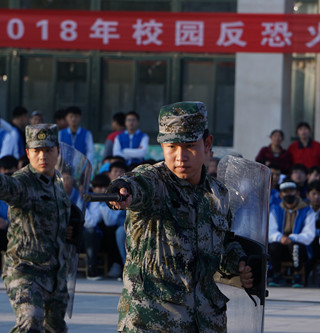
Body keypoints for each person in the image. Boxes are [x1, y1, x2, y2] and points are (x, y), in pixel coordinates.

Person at [106, 101, 253, 332]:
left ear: (207, 143)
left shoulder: (218, 195)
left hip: (205, 322)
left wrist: (241, 263)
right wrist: (122, 189)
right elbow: (137, 183)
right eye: (171, 147)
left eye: (190, 146)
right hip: (153, 322)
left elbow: (222, 247)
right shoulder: (156, 182)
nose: (180, 157)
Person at [0, 124, 73, 332]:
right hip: (25, 270)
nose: (42, 156)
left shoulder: (58, 184)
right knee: (30, 320)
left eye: (48, 150)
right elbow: (10, 187)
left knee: (56, 328)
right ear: (27, 153)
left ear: (58, 151)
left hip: (56, 274)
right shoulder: (24, 181)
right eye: (36, 151)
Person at [268, 178, 316, 288]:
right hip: (281, 245)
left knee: (295, 246)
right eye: (285, 192)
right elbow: (271, 231)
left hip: (298, 247)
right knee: (274, 246)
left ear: (297, 193)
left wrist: (293, 238)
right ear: (280, 195)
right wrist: (280, 237)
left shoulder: (307, 210)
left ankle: (297, 275)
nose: (288, 194)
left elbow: (309, 234)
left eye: (291, 191)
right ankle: (276, 274)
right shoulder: (275, 210)